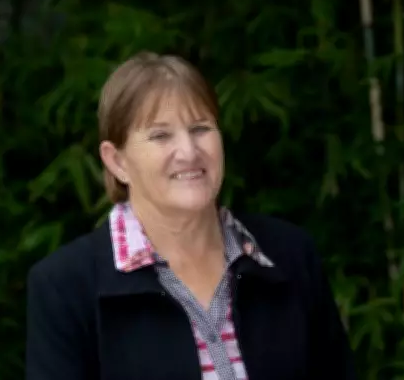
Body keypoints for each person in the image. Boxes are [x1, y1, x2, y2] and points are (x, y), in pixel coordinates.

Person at [25, 52, 356, 380]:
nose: (188, 151)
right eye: (160, 135)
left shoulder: (289, 255)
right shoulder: (65, 287)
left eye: (200, 129)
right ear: (117, 162)